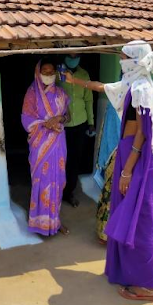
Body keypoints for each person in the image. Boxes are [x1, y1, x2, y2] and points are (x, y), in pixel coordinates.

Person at [66, 41, 153, 301]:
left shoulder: (141, 89)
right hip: (131, 156)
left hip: (139, 159)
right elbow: (102, 87)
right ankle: (151, 273)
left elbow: (143, 134)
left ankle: (144, 286)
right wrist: (73, 81)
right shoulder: (131, 84)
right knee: (139, 216)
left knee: (139, 220)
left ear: (135, 60)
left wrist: (127, 171)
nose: (121, 62)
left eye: (124, 57)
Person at [95, 100, 153, 245]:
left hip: (142, 156)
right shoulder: (116, 98)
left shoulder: (149, 97)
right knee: (112, 193)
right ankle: (107, 234)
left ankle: (131, 236)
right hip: (117, 154)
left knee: (136, 197)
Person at [22, 59, 71, 236]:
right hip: (40, 144)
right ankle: (38, 223)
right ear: (38, 72)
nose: (48, 74)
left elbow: (68, 116)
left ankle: (55, 221)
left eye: (51, 71)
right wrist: (45, 124)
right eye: (45, 70)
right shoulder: (31, 94)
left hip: (58, 144)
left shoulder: (61, 94)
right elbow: (26, 118)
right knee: (41, 182)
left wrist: (58, 119)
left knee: (57, 182)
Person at [59, 54, 95, 208]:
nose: (73, 58)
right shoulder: (56, 73)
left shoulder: (84, 74)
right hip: (60, 124)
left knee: (74, 160)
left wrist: (91, 122)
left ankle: (69, 193)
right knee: (60, 160)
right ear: (65, 55)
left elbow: (88, 99)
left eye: (76, 55)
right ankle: (56, 192)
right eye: (70, 55)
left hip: (80, 122)